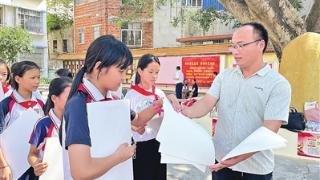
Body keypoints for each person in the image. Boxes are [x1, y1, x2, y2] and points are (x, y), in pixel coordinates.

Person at [179, 22, 291, 180]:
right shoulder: (225, 77)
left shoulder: (278, 84)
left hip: (256, 170)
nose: (234, 51)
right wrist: (183, 112)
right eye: (233, 46)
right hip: (221, 164)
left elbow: (269, 130)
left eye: (241, 45)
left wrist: (236, 158)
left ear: (260, 45)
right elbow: (206, 103)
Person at [62, 35, 155, 179]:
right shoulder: (78, 105)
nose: (124, 77)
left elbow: (138, 120)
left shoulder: (114, 100)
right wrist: (119, 156)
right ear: (99, 67)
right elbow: (81, 171)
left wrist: (160, 105)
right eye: (121, 70)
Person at [125, 54, 168, 180]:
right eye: (151, 72)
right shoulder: (131, 96)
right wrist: (134, 127)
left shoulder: (160, 94)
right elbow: (122, 123)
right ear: (140, 71)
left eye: (157, 72)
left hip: (159, 145)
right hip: (140, 148)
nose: (154, 76)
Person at [0, 61, 45, 180]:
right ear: (18, 79)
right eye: (32, 78)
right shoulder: (6, 105)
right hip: (12, 166)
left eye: (38, 77)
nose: (37, 81)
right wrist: (3, 166)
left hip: (37, 165)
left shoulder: (41, 104)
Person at [23, 77, 72, 179]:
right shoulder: (43, 124)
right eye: (69, 97)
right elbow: (32, 154)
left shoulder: (79, 121)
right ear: (54, 98)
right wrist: (37, 164)